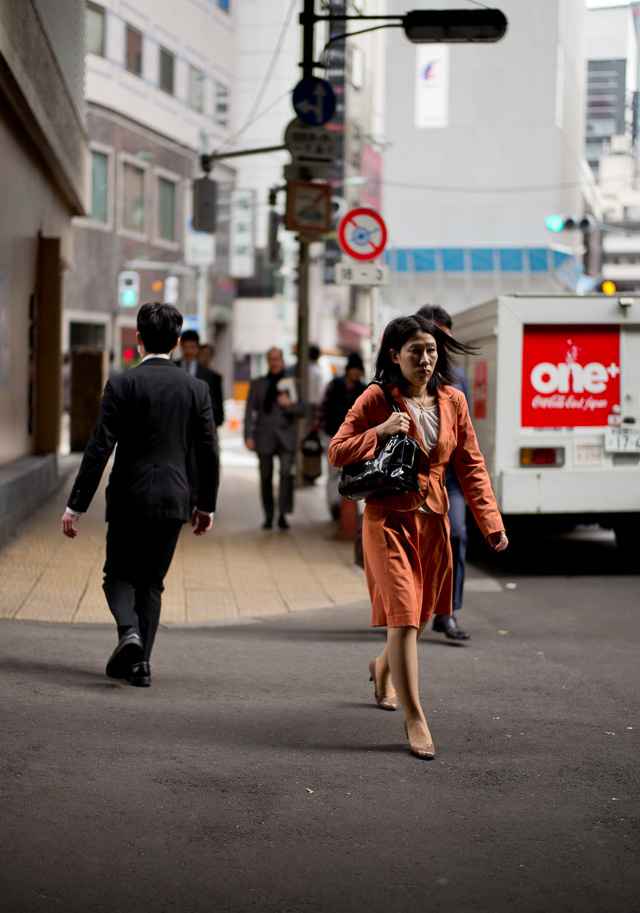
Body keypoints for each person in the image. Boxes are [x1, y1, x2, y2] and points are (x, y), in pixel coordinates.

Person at [328, 315, 508, 760]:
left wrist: (491, 522)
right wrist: (379, 431)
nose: (426, 359)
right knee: (405, 616)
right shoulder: (377, 398)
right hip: (388, 519)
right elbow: (337, 450)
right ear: (395, 355)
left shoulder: (453, 401)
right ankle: (415, 718)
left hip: (434, 522)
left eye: (431, 350)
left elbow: (470, 465)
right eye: (415, 351)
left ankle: (382, 666)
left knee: (423, 614)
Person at [61, 303, 219, 687]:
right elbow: (209, 452)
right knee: (151, 582)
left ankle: (128, 632)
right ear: (178, 343)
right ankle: (141, 665)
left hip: (129, 496)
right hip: (173, 499)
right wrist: (205, 506)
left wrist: (75, 504)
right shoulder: (196, 388)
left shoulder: (121, 384)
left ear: (138, 339)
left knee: (116, 574)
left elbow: (99, 447)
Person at [417, 304, 471, 640]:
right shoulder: (399, 372)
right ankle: (411, 610)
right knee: (415, 545)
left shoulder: (457, 377)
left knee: (458, 535)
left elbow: (466, 437)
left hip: (449, 477)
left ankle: (446, 612)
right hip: (412, 476)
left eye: (443, 338)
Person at [244, 347, 305, 530]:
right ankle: (269, 515)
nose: (274, 362)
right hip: (263, 435)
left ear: (282, 361)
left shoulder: (293, 383)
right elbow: (249, 412)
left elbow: (302, 409)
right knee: (265, 476)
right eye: (271, 359)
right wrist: (248, 435)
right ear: (268, 361)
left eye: (277, 358)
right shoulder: (258, 383)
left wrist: (288, 406)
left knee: (286, 474)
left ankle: (283, 514)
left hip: (286, 436)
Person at [310, 352, 367, 519]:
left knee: (352, 473)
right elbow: (323, 409)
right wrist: (314, 429)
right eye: (353, 369)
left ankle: (348, 506)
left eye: (359, 370)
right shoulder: (334, 386)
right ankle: (335, 506)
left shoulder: (363, 390)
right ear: (348, 370)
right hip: (332, 435)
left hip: (354, 439)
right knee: (333, 471)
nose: (356, 373)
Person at [176, 330, 224, 428]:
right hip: (176, 427)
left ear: (198, 348)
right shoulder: (172, 368)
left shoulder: (210, 375)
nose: (189, 352)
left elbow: (215, 406)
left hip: (200, 429)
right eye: (186, 347)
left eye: (192, 348)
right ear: (181, 347)